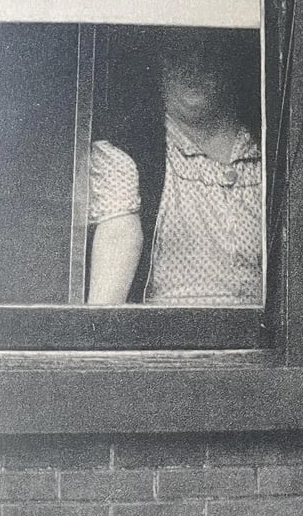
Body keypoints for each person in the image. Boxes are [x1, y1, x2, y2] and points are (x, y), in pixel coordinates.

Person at [85, 27, 263, 306]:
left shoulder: (264, 153)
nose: (192, 68)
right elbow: (118, 238)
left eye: (207, 54)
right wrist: (96, 341)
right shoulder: (131, 152)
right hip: (167, 338)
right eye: (178, 54)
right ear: (159, 64)